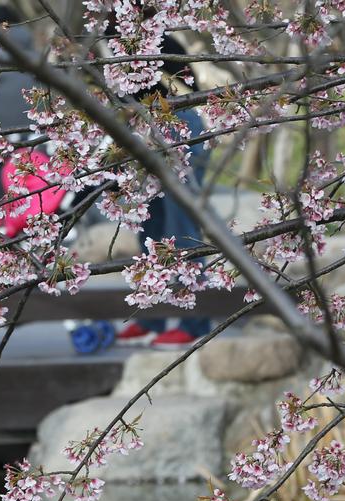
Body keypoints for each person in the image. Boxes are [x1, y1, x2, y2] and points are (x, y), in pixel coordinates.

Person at [115, 36, 212, 348]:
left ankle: (195, 323)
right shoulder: (120, 37)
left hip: (177, 123)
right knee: (150, 224)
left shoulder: (154, 37)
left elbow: (179, 84)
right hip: (145, 126)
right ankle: (151, 317)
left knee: (181, 227)